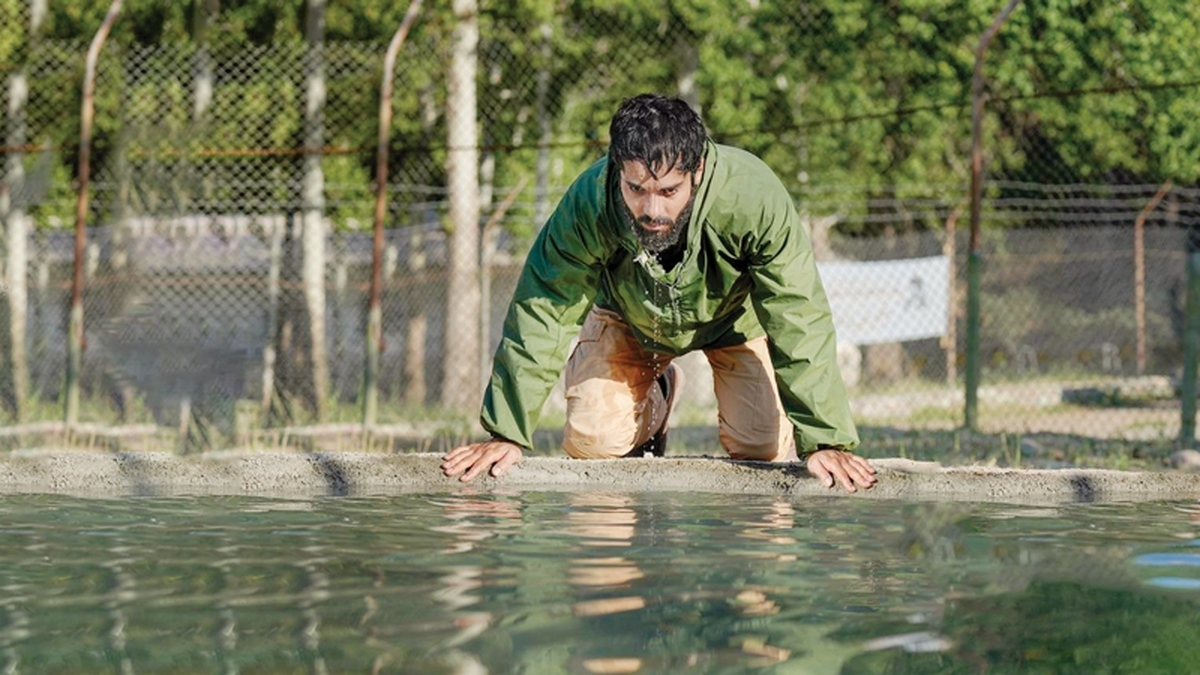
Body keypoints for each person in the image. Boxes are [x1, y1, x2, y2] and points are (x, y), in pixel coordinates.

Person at [441, 93, 876, 493]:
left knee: (760, 446)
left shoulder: (753, 197)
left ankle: (707, 404)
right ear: (616, 168)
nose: (652, 210)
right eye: (636, 189)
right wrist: (506, 432)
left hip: (734, 321)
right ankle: (658, 397)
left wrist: (825, 438)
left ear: (698, 170)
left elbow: (797, 313)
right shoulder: (589, 202)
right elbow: (546, 306)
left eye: (669, 192)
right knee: (594, 440)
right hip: (629, 317)